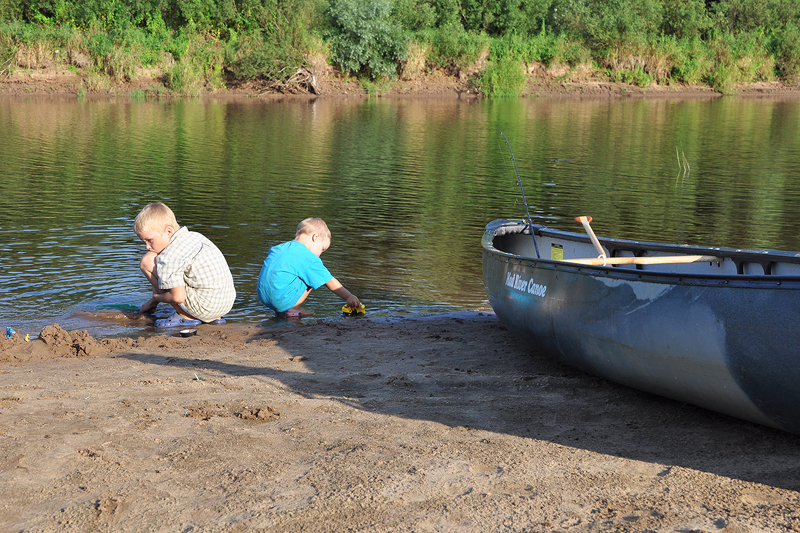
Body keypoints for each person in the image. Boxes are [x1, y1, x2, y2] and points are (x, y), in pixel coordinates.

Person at [134, 202, 236, 328]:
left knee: (147, 261)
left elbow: (178, 297)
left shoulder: (169, 255)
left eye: (150, 240)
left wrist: (157, 297)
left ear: (168, 231)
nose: (147, 246)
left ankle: (186, 316)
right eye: (144, 241)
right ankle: (214, 318)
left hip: (205, 308)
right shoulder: (195, 237)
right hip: (224, 305)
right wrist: (153, 302)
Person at [257, 218, 360, 317]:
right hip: (281, 300)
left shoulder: (279, 248)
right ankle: (294, 308)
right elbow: (329, 281)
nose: (320, 254)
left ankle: (281, 312)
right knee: (314, 276)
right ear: (315, 237)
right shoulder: (307, 256)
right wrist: (349, 296)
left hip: (263, 297)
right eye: (322, 249)